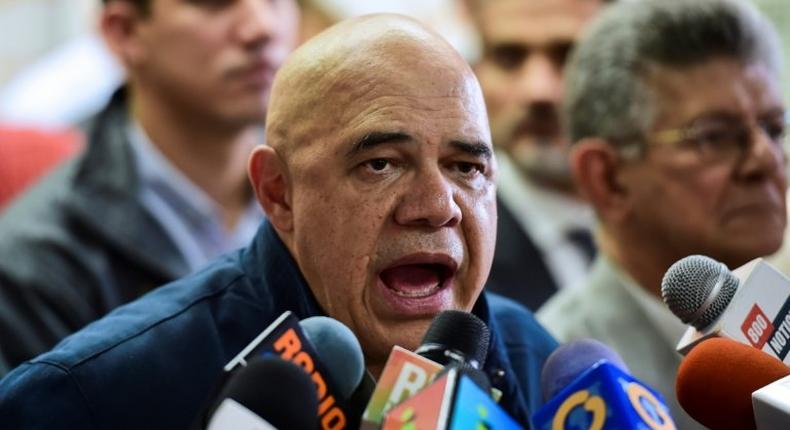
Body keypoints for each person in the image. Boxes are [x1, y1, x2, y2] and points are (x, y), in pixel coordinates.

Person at [0, 14, 558, 429]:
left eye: (466, 167)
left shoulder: (535, 358)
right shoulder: (89, 398)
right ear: (278, 192)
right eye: (381, 164)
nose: (439, 206)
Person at [0, 0, 299, 372]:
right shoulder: (36, 266)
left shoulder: (337, 189)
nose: (262, 27)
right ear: (123, 31)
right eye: (217, 4)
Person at [538, 0, 787, 427]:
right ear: (608, 178)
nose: (764, 159)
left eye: (774, 128)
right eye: (714, 137)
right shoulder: (560, 380)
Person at [464, 0, 610, 310]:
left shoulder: (684, 220)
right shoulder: (455, 263)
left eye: (570, 55)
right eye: (509, 57)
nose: (538, 91)